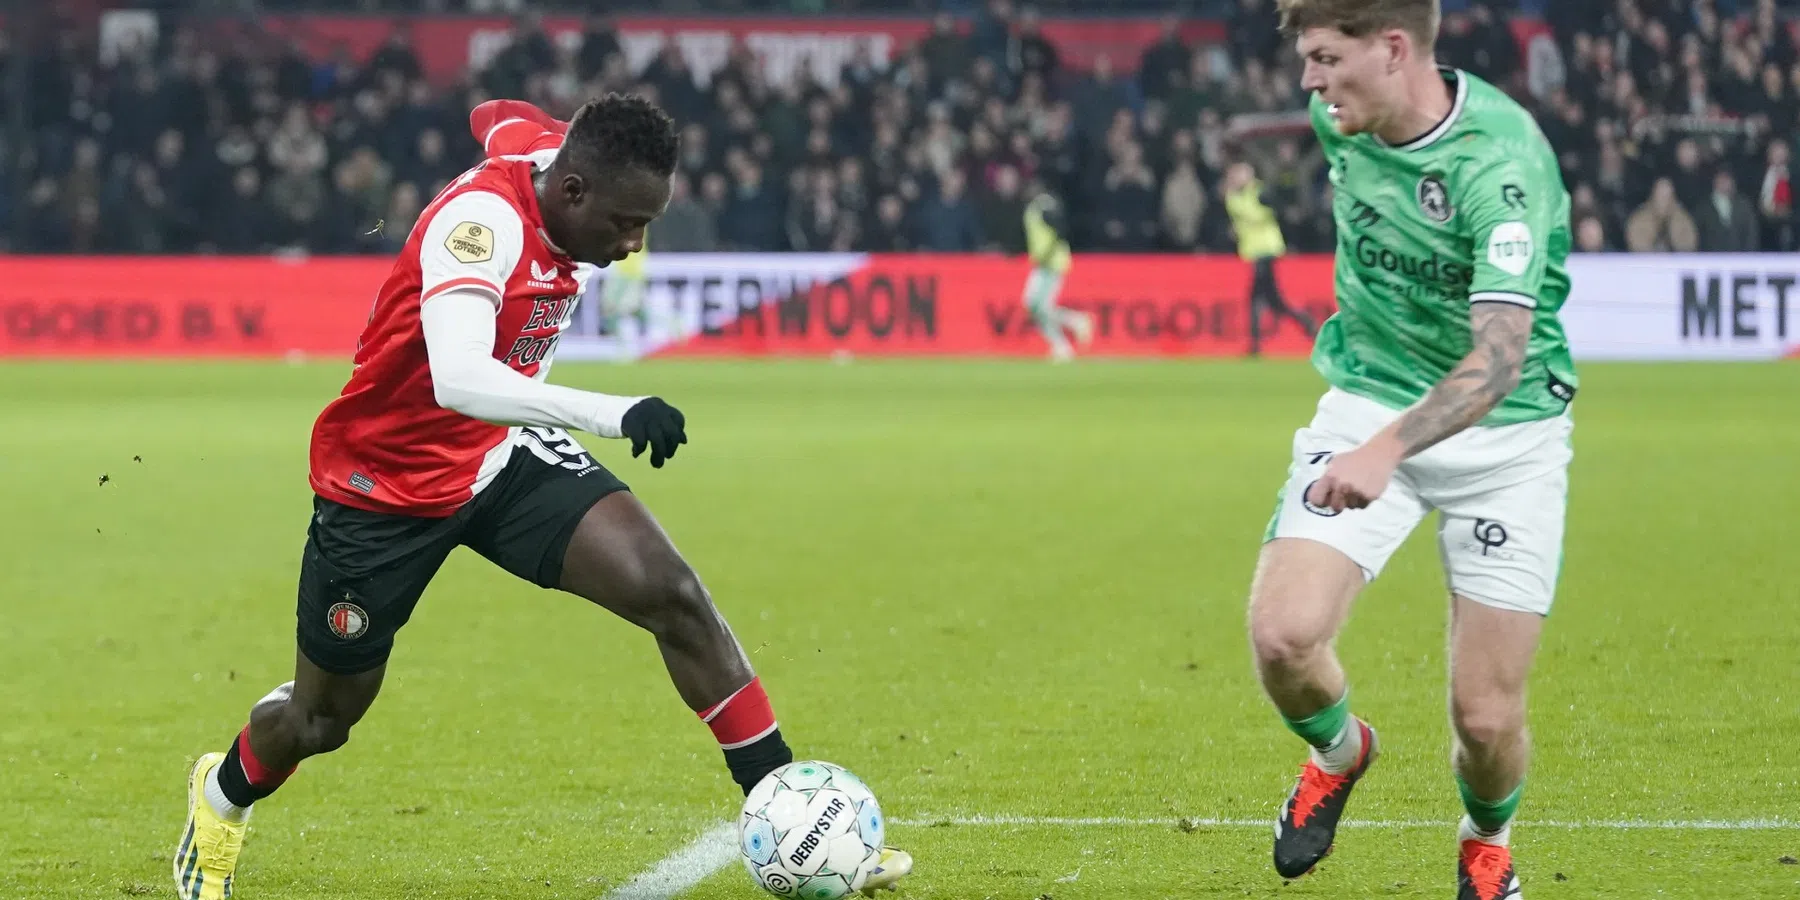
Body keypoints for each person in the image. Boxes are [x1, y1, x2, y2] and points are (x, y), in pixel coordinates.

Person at [171, 95, 912, 900]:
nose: (632, 246)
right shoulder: (481, 229)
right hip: (382, 489)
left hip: (500, 460)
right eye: (627, 223)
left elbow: (498, 115)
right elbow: (459, 379)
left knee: (674, 595)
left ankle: (796, 816)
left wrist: (493, 113)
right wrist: (614, 412)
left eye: (647, 226)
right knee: (321, 721)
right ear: (574, 192)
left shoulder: (557, 155)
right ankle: (220, 797)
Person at [1254, 3, 1576, 899]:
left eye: (1325, 58)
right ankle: (1340, 752)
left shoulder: (1500, 165)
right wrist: (1376, 437)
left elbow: (1501, 358)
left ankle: (1486, 841)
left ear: (1394, 49)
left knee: (1484, 717)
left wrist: (1387, 451)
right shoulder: (1340, 120)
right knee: (1283, 636)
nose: (1309, 83)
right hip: (1367, 400)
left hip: (1506, 441)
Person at [1221, 160, 1317, 356]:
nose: (1237, 178)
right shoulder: (1232, 196)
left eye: (1241, 174)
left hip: (1266, 249)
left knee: (1255, 296)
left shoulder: (1261, 193)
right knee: (1274, 301)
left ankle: (1255, 345)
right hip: (1252, 250)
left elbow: (1277, 210)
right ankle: (1306, 322)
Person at [1021, 187, 1093, 361]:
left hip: (1051, 263)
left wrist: (1047, 254)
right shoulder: (1037, 208)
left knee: (1039, 306)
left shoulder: (1043, 207)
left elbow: (1061, 231)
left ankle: (1067, 337)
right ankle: (1067, 335)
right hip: (1044, 262)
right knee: (1033, 304)